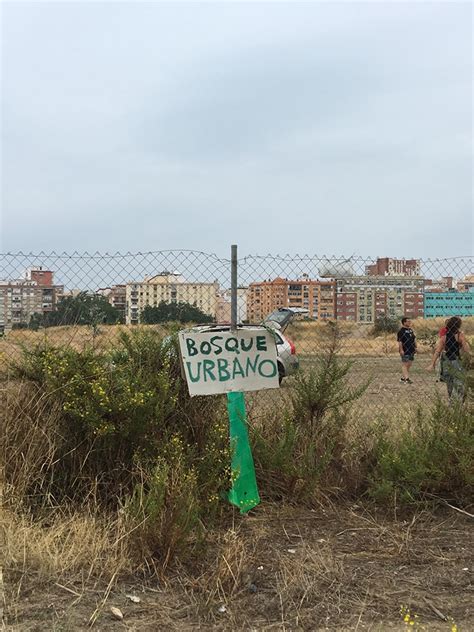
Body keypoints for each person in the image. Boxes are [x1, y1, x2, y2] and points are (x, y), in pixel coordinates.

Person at [429, 316, 470, 401]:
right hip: (457, 362)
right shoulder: (460, 335)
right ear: (458, 325)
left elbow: (437, 351)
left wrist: (432, 364)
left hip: (446, 362)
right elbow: (466, 350)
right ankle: (457, 403)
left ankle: (452, 400)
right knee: (459, 382)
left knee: (450, 383)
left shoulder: (444, 337)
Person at [397, 317, 417, 384]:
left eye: (410, 321)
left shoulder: (411, 330)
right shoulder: (401, 331)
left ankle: (403, 378)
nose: (409, 322)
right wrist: (401, 350)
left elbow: (414, 339)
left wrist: (416, 347)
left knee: (409, 364)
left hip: (411, 349)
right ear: (404, 322)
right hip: (405, 349)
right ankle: (407, 379)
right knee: (405, 364)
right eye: (408, 321)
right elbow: (400, 342)